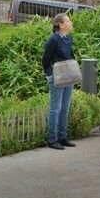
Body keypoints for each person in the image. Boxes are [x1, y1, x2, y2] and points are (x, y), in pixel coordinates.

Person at [42, 13, 77, 150]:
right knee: (55, 109)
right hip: (57, 77)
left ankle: (63, 137)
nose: (71, 23)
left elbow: (70, 55)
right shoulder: (53, 39)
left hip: (68, 76)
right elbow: (45, 59)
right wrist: (49, 74)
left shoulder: (68, 38)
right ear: (60, 25)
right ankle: (52, 139)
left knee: (65, 108)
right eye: (68, 21)